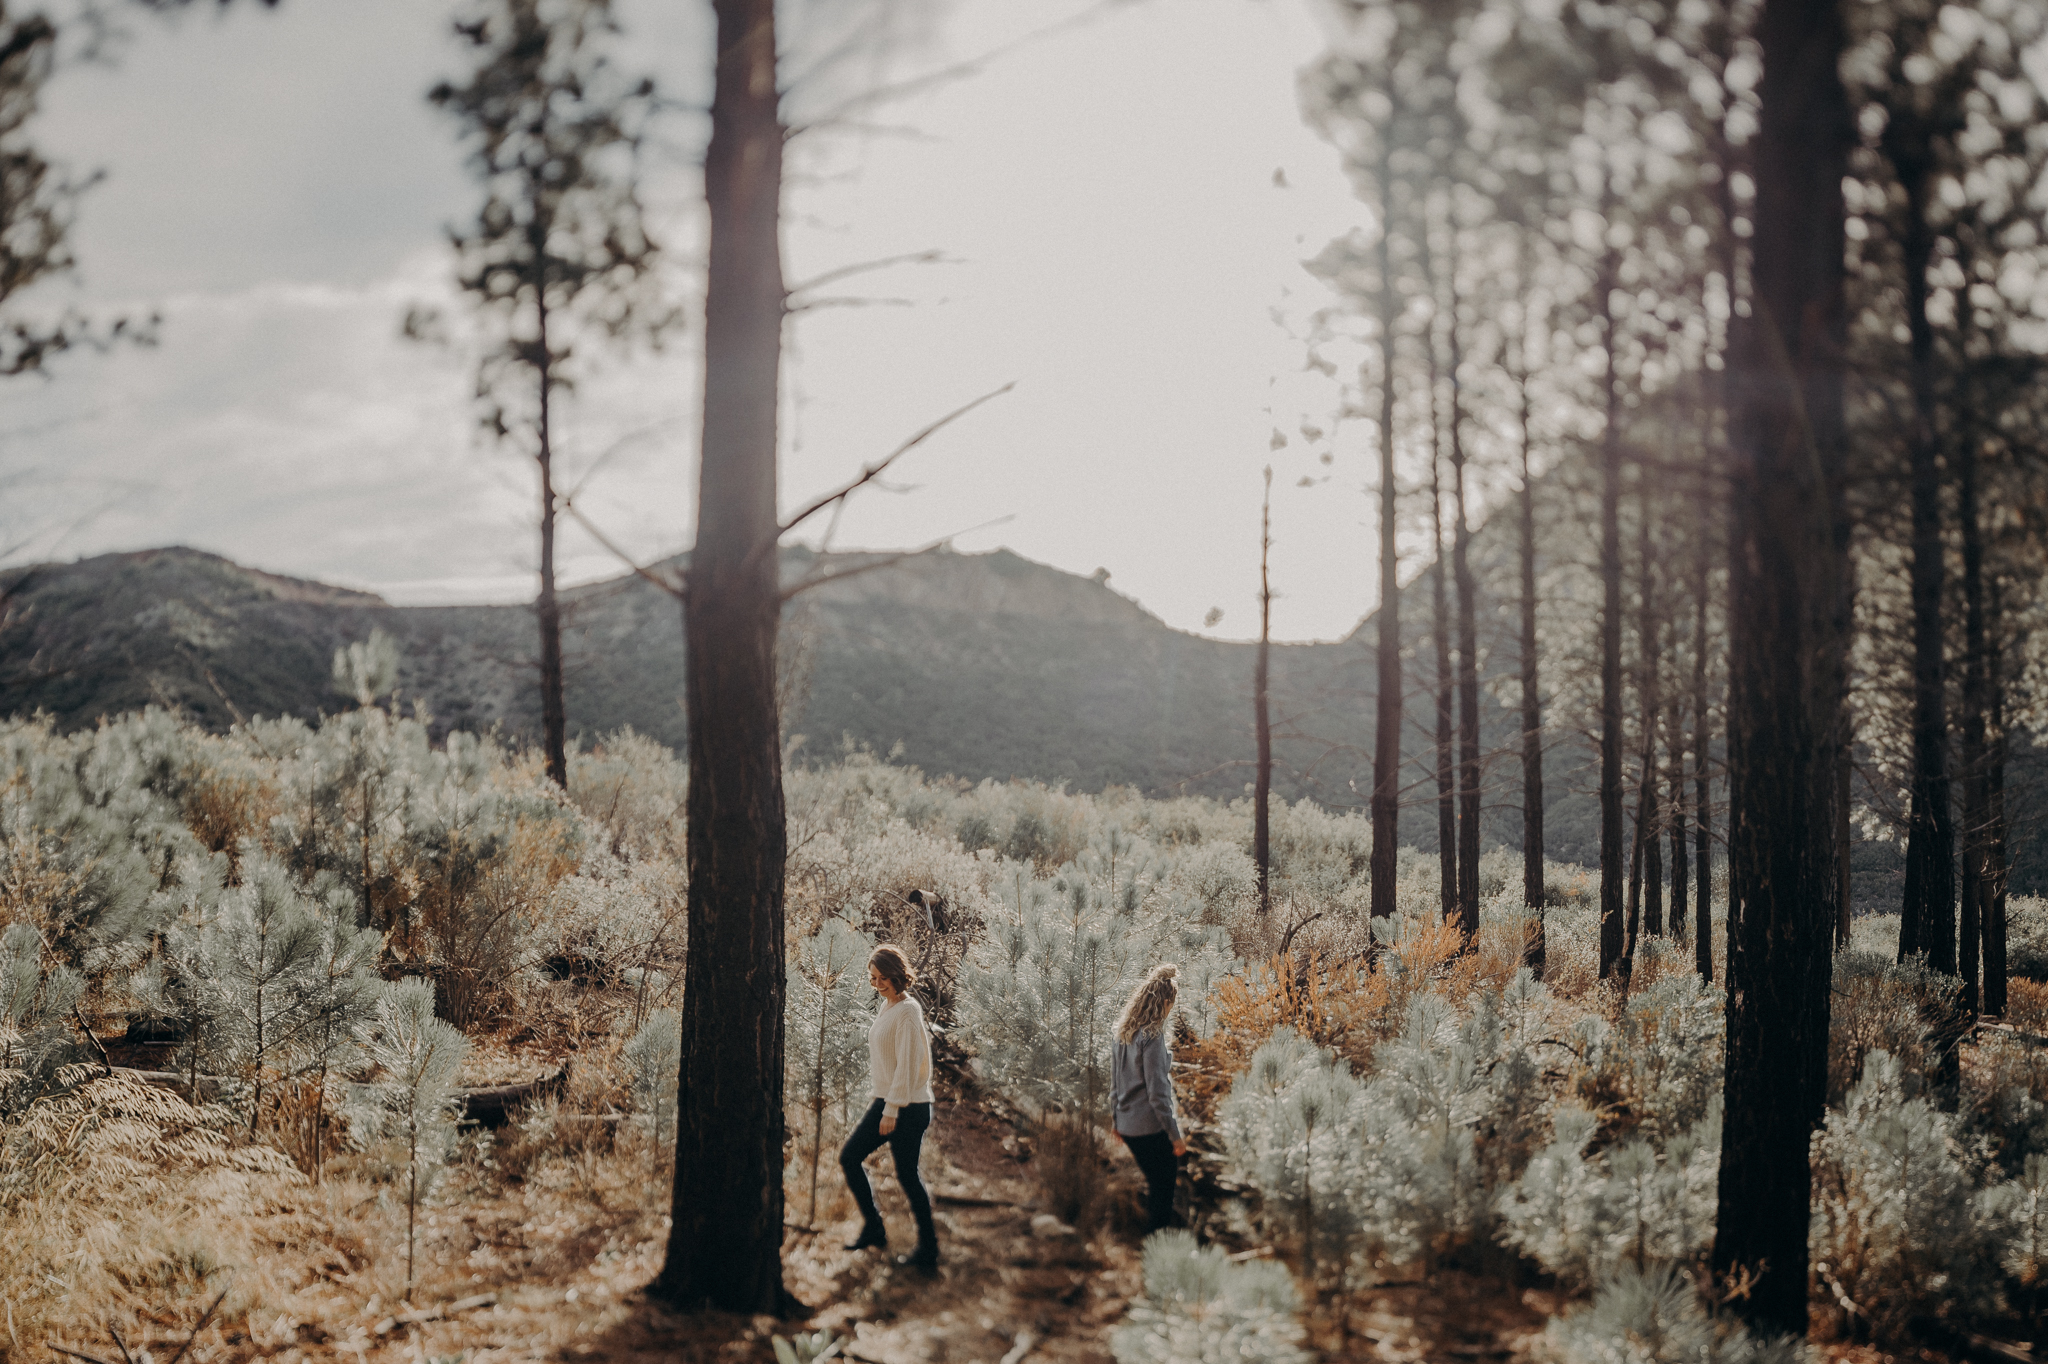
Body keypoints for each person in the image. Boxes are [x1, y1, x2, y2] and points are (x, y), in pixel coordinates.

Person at [839, 943, 939, 1273]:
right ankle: (874, 1229)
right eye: (872, 978)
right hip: (889, 1100)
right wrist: (885, 1101)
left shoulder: (907, 1011)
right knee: (850, 1157)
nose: (878, 984)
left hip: (907, 1106)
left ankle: (928, 1252)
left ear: (898, 975)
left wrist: (892, 1108)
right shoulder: (888, 1007)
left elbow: (908, 1065)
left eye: (883, 977)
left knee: (908, 1176)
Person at [1111, 963, 1187, 1234]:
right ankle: (1156, 1243)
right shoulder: (1152, 1038)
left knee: (1155, 1181)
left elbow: (1114, 1086)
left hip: (1126, 1126)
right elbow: (1158, 1094)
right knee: (1164, 1183)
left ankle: (1147, 1237)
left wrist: (1115, 1121)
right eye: (1171, 1005)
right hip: (1147, 1127)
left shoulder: (1122, 1033)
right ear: (1166, 1003)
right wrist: (1175, 1134)